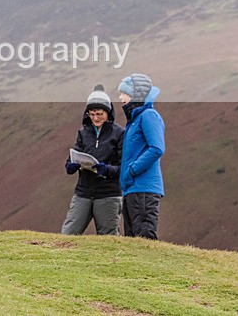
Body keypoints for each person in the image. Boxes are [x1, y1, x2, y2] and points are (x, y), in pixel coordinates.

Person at [61, 85, 125, 235]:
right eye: (91, 114)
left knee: (109, 239)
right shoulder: (83, 133)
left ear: (107, 112)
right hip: (83, 192)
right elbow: (73, 155)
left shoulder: (119, 134)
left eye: (99, 114)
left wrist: (107, 169)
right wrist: (70, 165)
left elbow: (123, 167)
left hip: (108, 194)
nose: (95, 118)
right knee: (68, 234)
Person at [117, 73, 165, 239]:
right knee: (132, 242)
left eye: (124, 93)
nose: (121, 98)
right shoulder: (135, 119)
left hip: (143, 188)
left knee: (144, 239)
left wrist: (132, 170)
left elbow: (157, 148)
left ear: (135, 94)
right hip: (132, 189)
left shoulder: (148, 116)